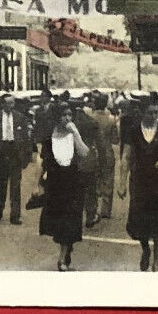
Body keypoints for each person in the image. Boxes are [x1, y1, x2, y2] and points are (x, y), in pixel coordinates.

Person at [117, 100, 158, 271]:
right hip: (139, 181)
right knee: (141, 221)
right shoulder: (133, 131)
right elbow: (125, 157)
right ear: (143, 113)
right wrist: (122, 183)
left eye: (157, 113)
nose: (154, 116)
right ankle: (146, 249)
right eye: (151, 113)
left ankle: (157, 262)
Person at [39, 102, 89, 271]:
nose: (68, 118)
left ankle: (62, 258)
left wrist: (76, 134)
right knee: (59, 223)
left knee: (70, 222)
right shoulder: (49, 137)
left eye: (70, 115)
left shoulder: (74, 134)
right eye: (64, 115)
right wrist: (39, 183)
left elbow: (84, 152)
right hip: (55, 184)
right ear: (57, 117)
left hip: (72, 183)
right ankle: (66, 251)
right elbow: (44, 163)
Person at [0, 93, 33, 225]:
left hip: (15, 153)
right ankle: (0, 206)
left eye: (12, 103)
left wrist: (26, 156)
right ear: (2, 104)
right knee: (0, 185)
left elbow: (26, 139)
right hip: (0, 154)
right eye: (7, 103)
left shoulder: (20, 118)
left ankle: (15, 215)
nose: (10, 105)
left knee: (15, 186)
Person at [73, 94, 105, 229]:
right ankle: (90, 216)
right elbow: (101, 145)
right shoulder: (92, 122)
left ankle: (75, 216)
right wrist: (103, 162)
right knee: (90, 189)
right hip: (89, 158)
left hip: (73, 159)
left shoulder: (70, 124)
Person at [89, 92, 118, 220]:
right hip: (107, 151)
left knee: (93, 181)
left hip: (94, 152)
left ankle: (93, 208)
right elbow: (115, 139)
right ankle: (105, 209)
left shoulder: (90, 117)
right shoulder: (111, 119)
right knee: (108, 180)